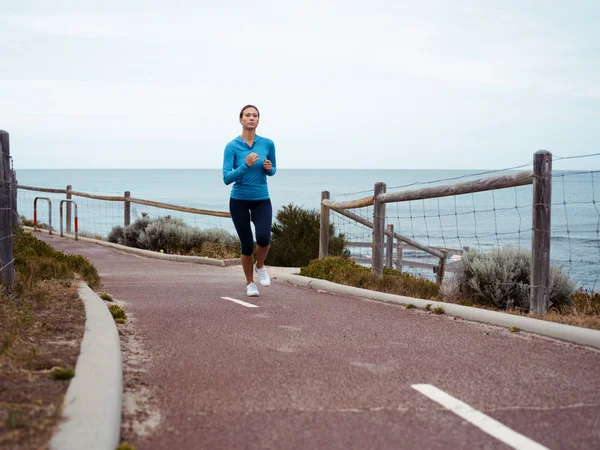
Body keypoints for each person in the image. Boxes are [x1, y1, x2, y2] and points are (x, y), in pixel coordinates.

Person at [222, 105, 277, 297]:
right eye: (247, 115)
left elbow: (273, 169)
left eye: (255, 115)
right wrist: (245, 165)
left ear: (258, 121)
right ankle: (249, 283)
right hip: (239, 200)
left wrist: (269, 169)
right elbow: (227, 178)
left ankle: (260, 265)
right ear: (241, 119)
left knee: (263, 237)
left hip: (261, 198)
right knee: (246, 244)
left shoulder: (267, 144)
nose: (251, 118)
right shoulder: (232, 146)